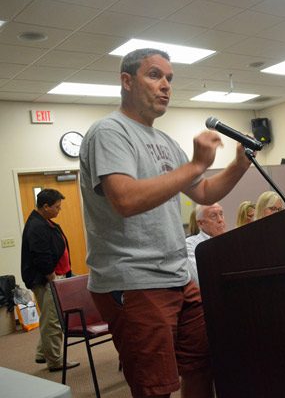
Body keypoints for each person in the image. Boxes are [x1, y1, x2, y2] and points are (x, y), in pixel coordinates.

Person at [79, 48, 250, 398]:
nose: (166, 86)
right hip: (135, 279)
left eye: (170, 79)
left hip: (177, 276)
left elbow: (202, 192)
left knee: (203, 364)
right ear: (126, 81)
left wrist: (239, 165)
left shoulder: (165, 142)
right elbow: (125, 199)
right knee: (155, 388)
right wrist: (195, 164)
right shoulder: (109, 133)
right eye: (155, 75)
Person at [21, 189, 79, 372]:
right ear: (45, 206)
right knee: (53, 320)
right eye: (56, 207)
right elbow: (42, 257)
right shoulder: (37, 226)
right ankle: (55, 360)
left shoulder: (44, 222)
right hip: (47, 280)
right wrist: (54, 279)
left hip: (57, 277)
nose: (59, 210)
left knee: (48, 317)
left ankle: (42, 353)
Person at [186, 203, 226, 285]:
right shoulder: (191, 244)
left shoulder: (232, 241)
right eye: (213, 216)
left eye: (221, 214)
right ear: (200, 223)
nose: (220, 220)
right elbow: (200, 279)